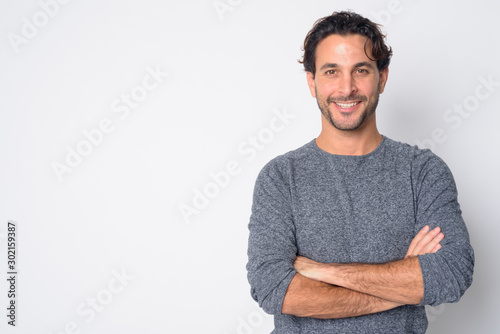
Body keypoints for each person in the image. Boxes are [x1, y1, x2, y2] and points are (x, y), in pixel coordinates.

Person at [246, 11, 474, 333]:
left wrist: (325, 272)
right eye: (331, 72)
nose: (347, 88)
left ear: (382, 77)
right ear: (312, 82)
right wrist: (402, 284)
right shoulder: (280, 178)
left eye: (361, 70)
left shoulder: (422, 172)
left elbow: (451, 273)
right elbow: (273, 288)